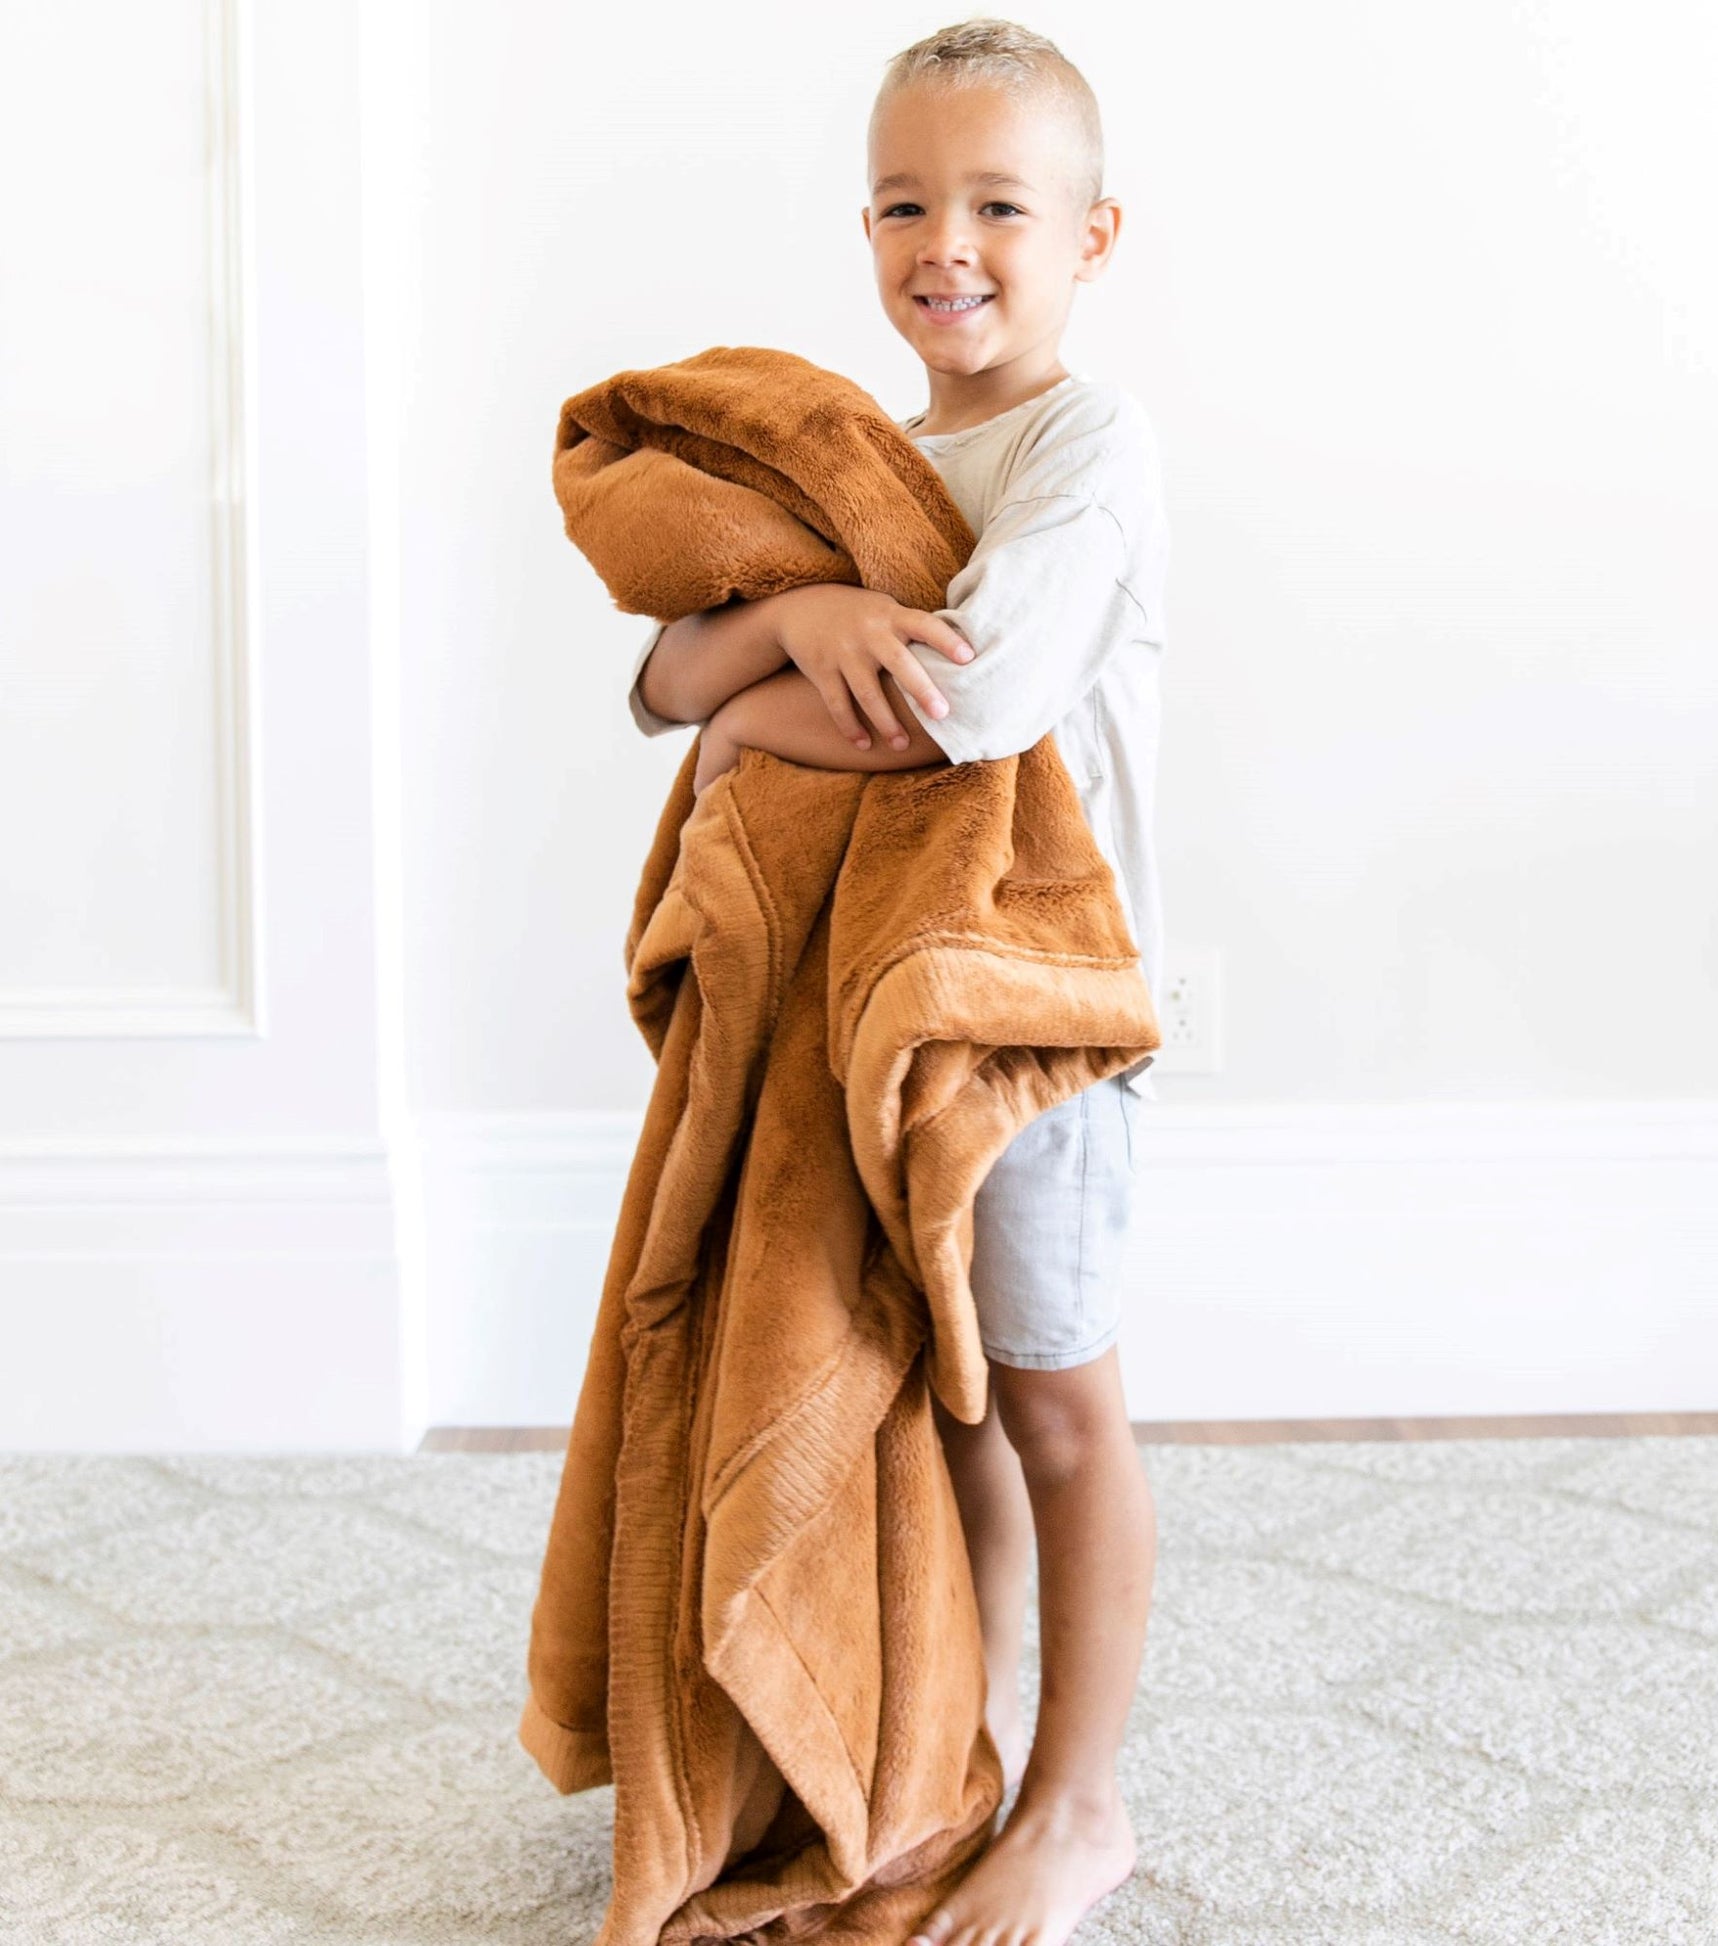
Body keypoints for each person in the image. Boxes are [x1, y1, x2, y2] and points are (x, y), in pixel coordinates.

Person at [623, 20, 1166, 1944]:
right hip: (874, 1015)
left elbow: (972, 696)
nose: (952, 242)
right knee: (936, 1404)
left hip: (1033, 1021)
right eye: (907, 203)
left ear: (1091, 235)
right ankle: (960, 1748)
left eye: (1001, 205)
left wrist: (740, 731)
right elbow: (660, 673)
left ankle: (1082, 1804)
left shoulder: (1080, 447)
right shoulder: (876, 466)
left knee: (1053, 1399)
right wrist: (795, 617)